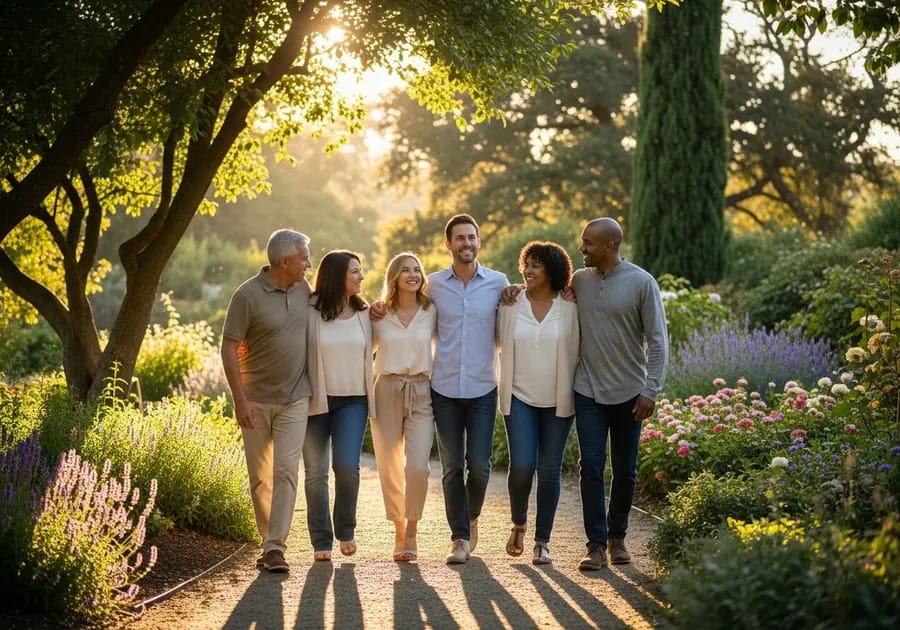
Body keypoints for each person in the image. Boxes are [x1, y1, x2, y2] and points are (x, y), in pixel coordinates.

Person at [572, 217, 668, 570]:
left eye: (588, 243)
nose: (582, 248)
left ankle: (617, 538)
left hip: (630, 392)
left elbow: (658, 341)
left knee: (625, 470)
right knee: (591, 466)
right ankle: (595, 545)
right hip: (588, 389)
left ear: (610, 245)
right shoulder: (578, 281)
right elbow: (544, 296)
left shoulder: (642, 283)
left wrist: (650, 390)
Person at [221, 229, 313, 573]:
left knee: (287, 471)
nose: (308, 264)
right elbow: (228, 349)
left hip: (295, 398)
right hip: (255, 400)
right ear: (285, 261)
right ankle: (267, 540)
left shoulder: (306, 290)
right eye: (304, 258)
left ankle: (275, 547)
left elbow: (337, 307)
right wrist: (239, 400)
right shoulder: (247, 295)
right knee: (260, 477)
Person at [428, 213, 509, 564]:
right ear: (448, 244)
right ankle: (459, 537)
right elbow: (415, 323)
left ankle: (471, 516)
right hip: (443, 387)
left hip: (481, 387)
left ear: (479, 242)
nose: (467, 243)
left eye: (472, 237)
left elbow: (513, 321)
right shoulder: (431, 285)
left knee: (479, 465)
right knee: (451, 467)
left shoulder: (499, 283)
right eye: (460, 238)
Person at [496, 241, 579, 566]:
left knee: (549, 471)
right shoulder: (510, 302)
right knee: (522, 466)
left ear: (553, 271)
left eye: (536, 265)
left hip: (558, 399)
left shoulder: (571, 306)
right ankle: (519, 523)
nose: (527, 270)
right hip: (519, 396)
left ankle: (542, 542)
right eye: (526, 264)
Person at [303, 250, 376, 562]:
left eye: (361, 271)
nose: (361, 277)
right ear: (336, 276)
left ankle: (345, 530)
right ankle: (321, 538)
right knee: (316, 473)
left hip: (354, 400)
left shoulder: (366, 313)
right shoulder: (310, 310)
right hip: (315, 400)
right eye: (355, 272)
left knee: (346, 467)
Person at [370, 252, 437, 562]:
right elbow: (361, 349)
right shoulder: (379, 314)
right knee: (389, 465)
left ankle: (412, 528)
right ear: (393, 277)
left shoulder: (431, 310)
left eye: (417, 270)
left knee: (418, 466)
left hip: (422, 390)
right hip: (386, 389)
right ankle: (399, 529)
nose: (413, 274)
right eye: (405, 270)